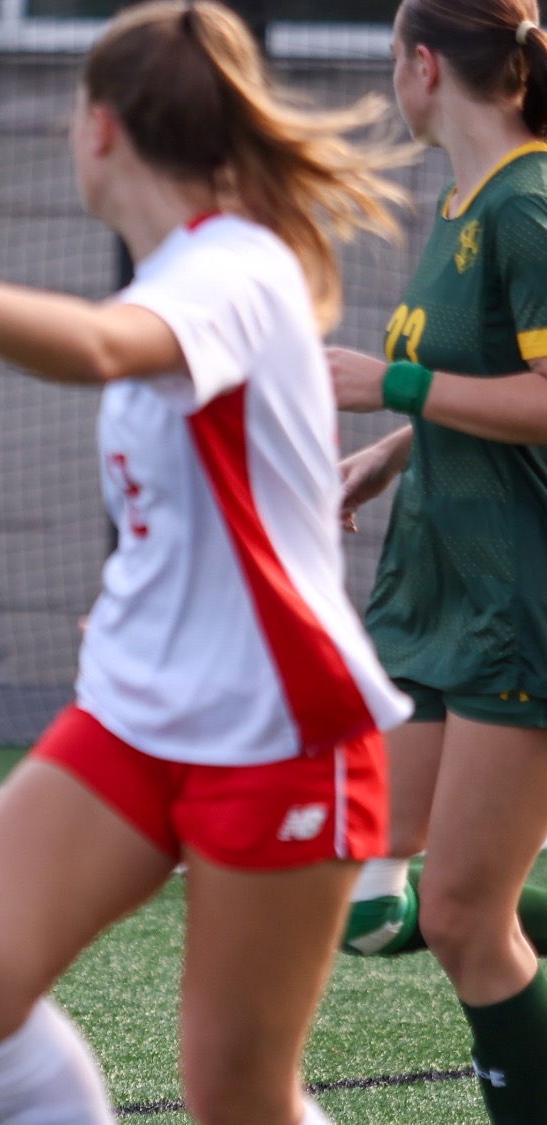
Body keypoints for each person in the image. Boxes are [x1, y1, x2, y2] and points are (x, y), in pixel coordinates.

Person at [0, 3, 412, 1122]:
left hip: (279, 734)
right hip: (139, 711)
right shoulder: (174, 274)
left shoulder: (233, 267)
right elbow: (177, 519)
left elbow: (93, 350)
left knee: (237, 1095)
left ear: (100, 127)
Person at [329, 1, 547, 1117]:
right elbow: (482, 377)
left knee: (462, 917)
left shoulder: (528, 205)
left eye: (388, 63)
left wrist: (386, 383)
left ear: (422, 67)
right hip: (437, 592)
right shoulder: (463, 200)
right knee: (363, 898)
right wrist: (388, 448)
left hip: (519, 605)